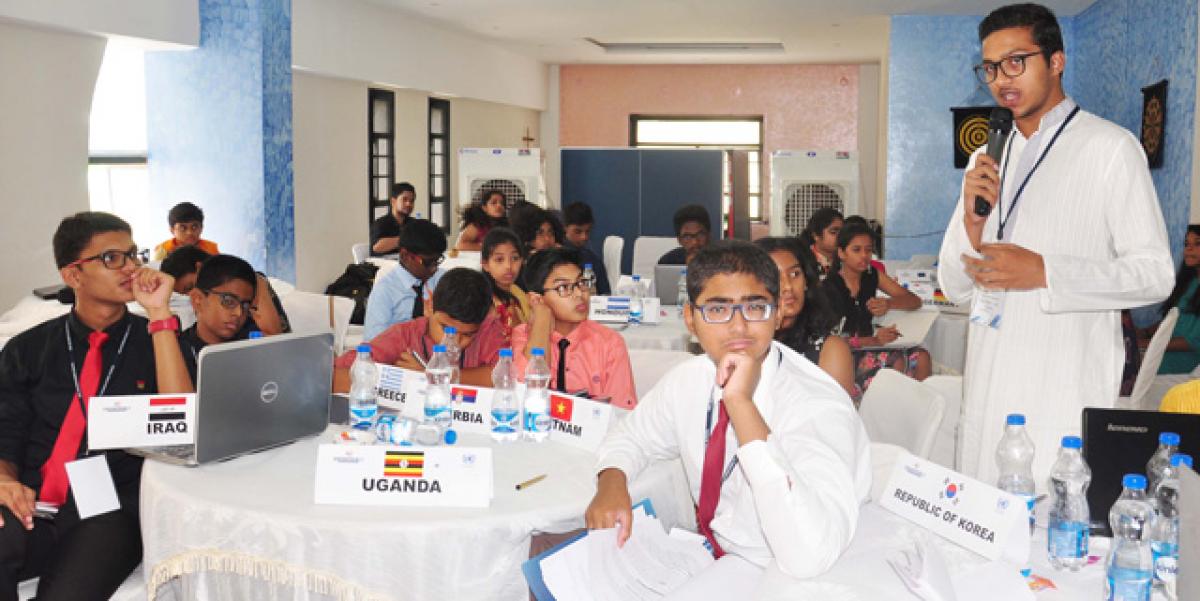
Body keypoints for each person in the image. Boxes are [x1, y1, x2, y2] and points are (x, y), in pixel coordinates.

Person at [937, 3, 1173, 485]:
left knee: (1053, 529)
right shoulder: (987, 154)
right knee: (986, 522)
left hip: (1061, 381)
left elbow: (1155, 275)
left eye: (1016, 61)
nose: (1002, 78)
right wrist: (970, 220)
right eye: (990, 67)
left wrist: (1045, 272)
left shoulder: (1110, 148)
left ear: (1057, 60)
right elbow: (955, 286)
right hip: (989, 374)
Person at [585, 241, 870, 588]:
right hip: (718, 556)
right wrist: (612, 481)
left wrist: (741, 405)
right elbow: (632, 436)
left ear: (778, 312)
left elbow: (808, 555)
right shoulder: (691, 378)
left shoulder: (817, 405)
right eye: (718, 310)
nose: (738, 327)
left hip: (798, 575)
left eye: (755, 308)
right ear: (690, 318)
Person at [0, 212, 192, 600]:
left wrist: (158, 313)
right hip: (32, 499)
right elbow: (6, 434)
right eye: (112, 258)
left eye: (132, 255)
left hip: (111, 509)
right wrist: (4, 483)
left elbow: (182, 424)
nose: (131, 267)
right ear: (73, 275)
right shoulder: (28, 349)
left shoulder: (158, 341)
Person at [333, 268, 505, 389]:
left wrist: (430, 375)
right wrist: (399, 379)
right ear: (429, 307)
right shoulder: (404, 335)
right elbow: (338, 374)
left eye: (467, 335)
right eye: (446, 328)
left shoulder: (488, 329)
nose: (454, 342)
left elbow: (500, 376)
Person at [511, 248, 637, 408]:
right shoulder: (522, 335)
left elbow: (622, 410)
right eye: (563, 287)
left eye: (581, 283)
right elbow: (525, 395)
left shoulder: (609, 342)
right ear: (536, 298)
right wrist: (541, 320)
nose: (579, 294)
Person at [825, 223, 932, 401]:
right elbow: (829, 341)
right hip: (846, 356)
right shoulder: (828, 288)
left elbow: (915, 301)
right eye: (856, 250)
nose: (864, 256)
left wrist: (889, 303)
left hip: (872, 347)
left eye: (868, 250)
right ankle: (887, 418)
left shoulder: (872, 275)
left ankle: (919, 414)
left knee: (922, 357)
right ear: (841, 253)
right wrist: (874, 339)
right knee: (895, 363)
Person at [754, 237, 854, 395]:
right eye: (775, 277)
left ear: (806, 281)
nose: (787, 286)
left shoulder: (829, 349)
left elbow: (835, 417)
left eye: (795, 274)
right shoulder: (743, 344)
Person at [160, 246, 291, 337]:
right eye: (186, 294)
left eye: (189, 287)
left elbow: (274, 335)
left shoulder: (249, 281)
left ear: (199, 268)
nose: (192, 296)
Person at [178, 254, 267, 378]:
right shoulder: (178, 352)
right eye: (229, 301)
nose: (239, 313)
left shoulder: (252, 342)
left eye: (245, 305)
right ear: (197, 299)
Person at [363, 219, 447, 341]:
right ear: (405, 255)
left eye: (438, 260)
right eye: (428, 262)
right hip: (397, 354)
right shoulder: (385, 291)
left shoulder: (441, 279)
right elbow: (374, 341)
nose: (434, 268)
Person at [1149, 225, 1200, 374]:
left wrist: (1150, 344)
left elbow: (1194, 342)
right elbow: (1174, 323)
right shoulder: (1187, 283)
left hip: (1187, 373)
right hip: (1163, 366)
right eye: (1186, 244)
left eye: (1197, 243)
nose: (1189, 249)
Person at [480, 228, 531, 342]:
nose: (508, 266)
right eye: (499, 259)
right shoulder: (486, 302)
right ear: (485, 264)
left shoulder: (518, 291)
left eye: (515, 258)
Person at [562, 202, 611, 295]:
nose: (584, 237)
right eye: (578, 231)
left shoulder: (593, 260)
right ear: (565, 228)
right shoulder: (553, 258)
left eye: (587, 231)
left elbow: (605, 294)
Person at [152, 201, 219, 261]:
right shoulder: (163, 250)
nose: (189, 232)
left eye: (194, 227)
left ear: (201, 228)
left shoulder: (211, 249)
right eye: (182, 228)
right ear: (172, 230)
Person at [370, 182, 416, 256]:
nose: (409, 204)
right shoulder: (381, 223)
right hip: (385, 264)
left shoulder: (414, 223)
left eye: (412, 201)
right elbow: (376, 247)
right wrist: (406, 239)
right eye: (405, 200)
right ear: (393, 201)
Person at [800, 207, 843, 279]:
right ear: (816, 235)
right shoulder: (803, 260)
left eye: (842, 232)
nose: (840, 236)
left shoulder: (846, 259)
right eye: (833, 232)